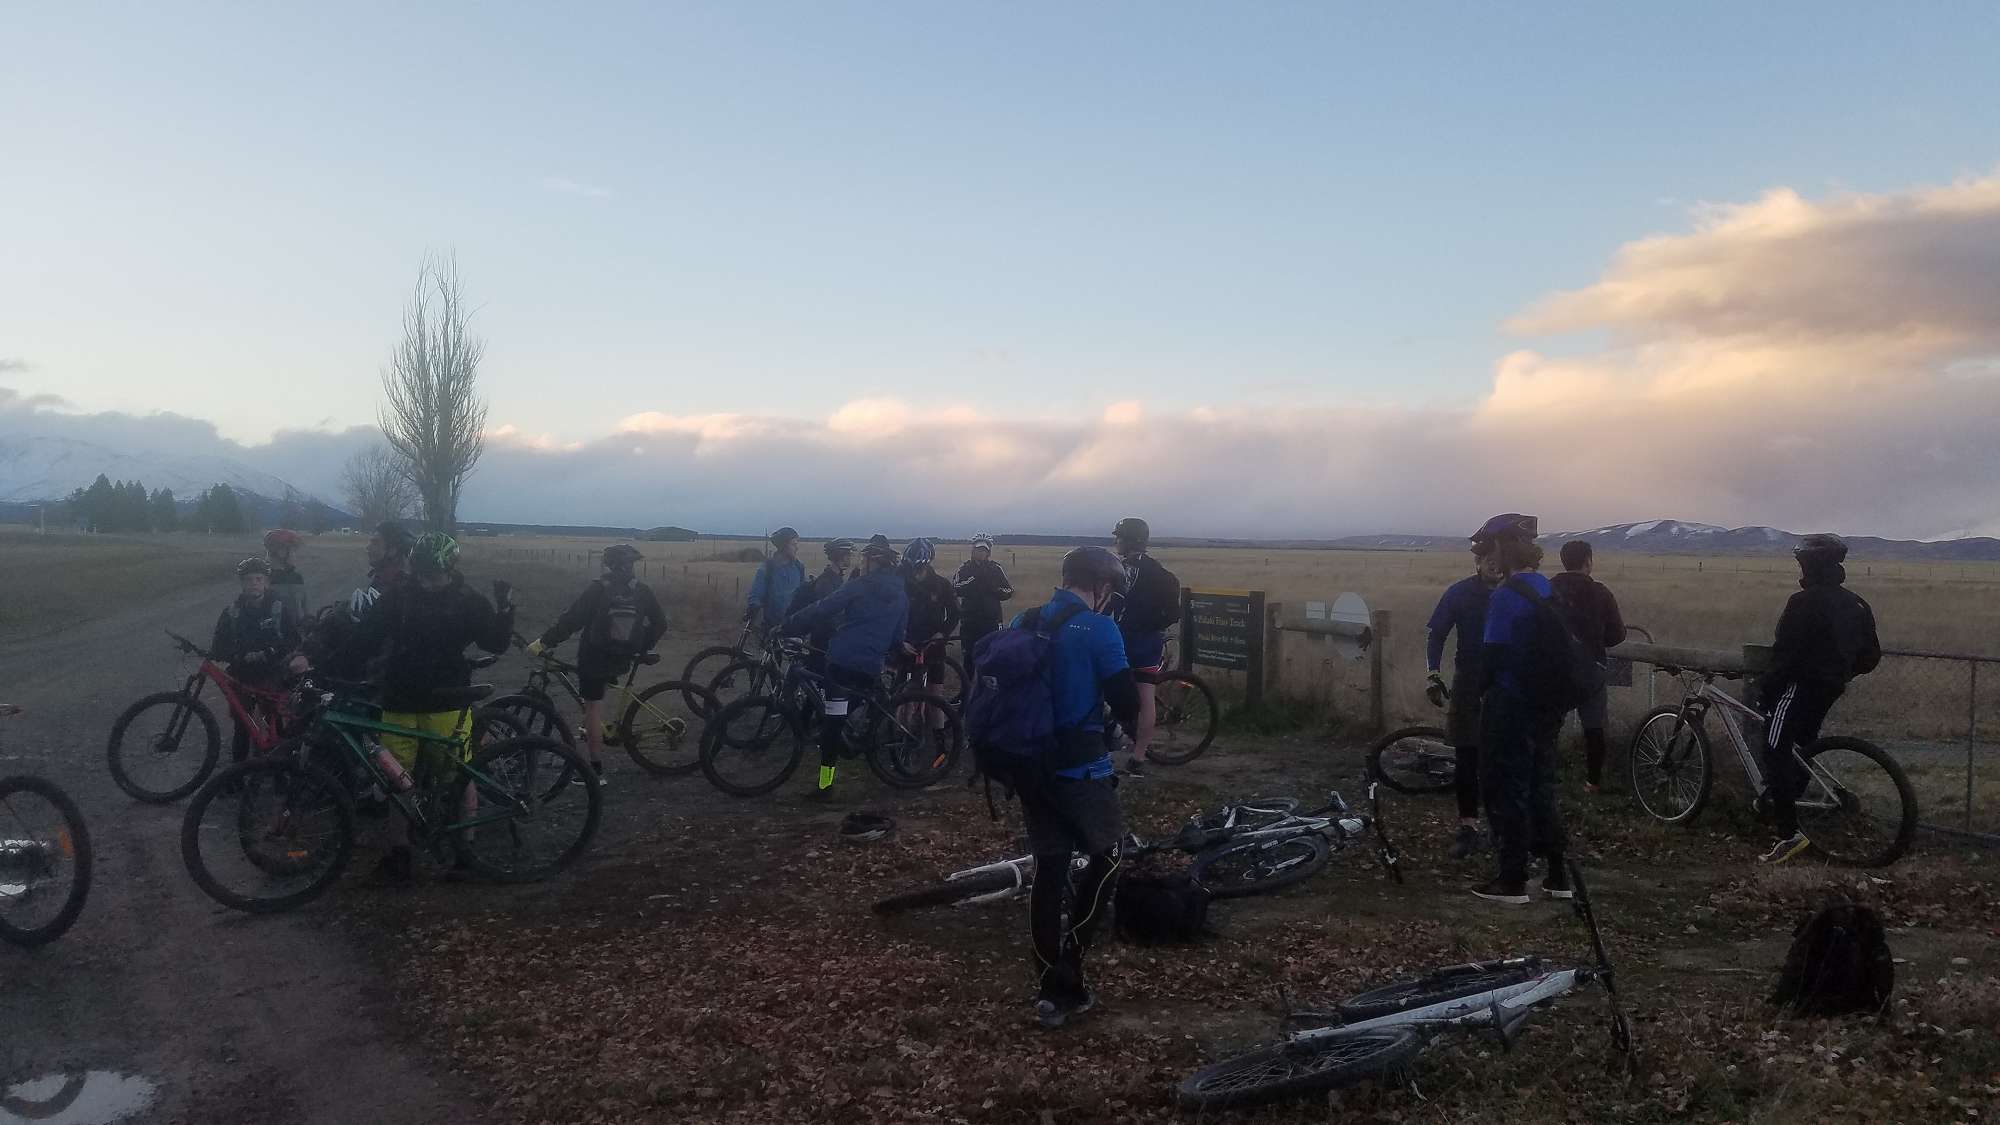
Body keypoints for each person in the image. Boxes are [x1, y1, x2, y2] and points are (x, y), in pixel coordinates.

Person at [1000, 546, 1140, 1029]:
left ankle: (1048, 987)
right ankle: (1071, 964)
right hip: (1081, 767)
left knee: (1049, 867)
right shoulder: (1100, 628)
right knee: (1109, 855)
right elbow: (1126, 702)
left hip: (1029, 765)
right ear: (1101, 586)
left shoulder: (1024, 619)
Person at [335, 532, 515, 885]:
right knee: (396, 780)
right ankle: (399, 855)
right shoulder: (401, 596)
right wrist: (325, 667)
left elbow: (495, 642)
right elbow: (364, 639)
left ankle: (466, 852)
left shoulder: (467, 600)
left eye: (434, 575)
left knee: (457, 776)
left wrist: (505, 610)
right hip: (400, 699)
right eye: (422, 575)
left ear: (448, 569)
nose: (428, 582)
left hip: (446, 701)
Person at [1757, 534, 1881, 865]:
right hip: (1831, 687)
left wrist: (1767, 691)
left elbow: (1785, 656)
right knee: (1802, 746)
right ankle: (1787, 804)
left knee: (1774, 747)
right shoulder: (1856, 603)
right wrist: (1842, 672)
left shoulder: (1803, 602)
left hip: (1799, 685)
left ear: (1808, 565)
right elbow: (1871, 656)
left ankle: (1788, 833)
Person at [1472, 513, 1571, 905]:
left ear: (1502, 547)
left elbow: (1492, 655)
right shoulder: (1546, 587)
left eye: (1489, 546)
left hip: (1511, 702)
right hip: (1547, 703)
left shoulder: (1506, 596)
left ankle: (1512, 879)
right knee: (1540, 784)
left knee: (1505, 785)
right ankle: (1558, 875)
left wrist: (1476, 693)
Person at [527, 544, 668, 785]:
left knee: (592, 708)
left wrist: (545, 642)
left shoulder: (599, 588)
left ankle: (595, 772)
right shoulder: (642, 591)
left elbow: (573, 620)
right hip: (621, 658)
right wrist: (640, 646)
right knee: (595, 703)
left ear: (609, 565)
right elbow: (660, 623)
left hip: (594, 656)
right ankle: (595, 736)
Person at [780, 536, 908, 795]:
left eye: (864, 559)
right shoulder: (901, 595)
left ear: (873, 562)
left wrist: (788, 625)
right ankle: (861, 737)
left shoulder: (858, 586)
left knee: (832, 725)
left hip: (842, 663)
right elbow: (898, 635)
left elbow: (822, 608)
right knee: (857, 707)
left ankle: (825, 785)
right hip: (871, 664)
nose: (860, 563)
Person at [1424, 534, 1505, 859]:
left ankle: (1502, 826)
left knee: (1502, 757)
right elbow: (1437, 634)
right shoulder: (1459, 592)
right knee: (1467, 756)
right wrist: (1433, 674)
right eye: (1489, 560)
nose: (1495, 566)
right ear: (1478, 562)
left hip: (1506, 683)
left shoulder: (1516, 593)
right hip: (1469, 682)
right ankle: (1468, 826)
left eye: (1500, 560)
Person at [1550, 540, 1627, 793]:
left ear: (1563, 561)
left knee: (1549, 724)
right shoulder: (1601, 593)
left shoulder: (1547, 589)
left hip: (1554, 669)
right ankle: (1592, 782)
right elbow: (1618, 635)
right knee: (1594, 727)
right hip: (1591, 671)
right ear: (1588, 561)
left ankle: (1546, 774)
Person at [210, 557, 304, 763]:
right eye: (248, 580)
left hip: (272, 672)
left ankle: (279, 766)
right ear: (241, 583)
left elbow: (294, 639)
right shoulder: (231, 613)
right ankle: (238, 770)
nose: (253, 584)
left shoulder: (279, 609)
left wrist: (269, 652)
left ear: (266, 583)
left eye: (258, 579)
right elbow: (218, 648)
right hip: (241, 675)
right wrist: (238, 655)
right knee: (242, 724)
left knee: (274, 720)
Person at [1110, 517, 1179, 778]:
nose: (1116, 541)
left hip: (1123, 639)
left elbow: (1108, 604)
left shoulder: (1120, 570)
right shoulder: (1159, 572)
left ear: (1130, 540)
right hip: (1149, 641)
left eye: (1119, 537)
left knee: (1102, 686)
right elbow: (1172, 612)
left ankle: (1106, 745)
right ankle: (1138, 758)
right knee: (1146, 696)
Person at [899, 537, 960, 729]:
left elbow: (955, 613)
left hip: (934, 646)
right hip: (906, 646)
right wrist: (899, 638)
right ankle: (902, 735)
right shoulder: (900, 583)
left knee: (936, 697)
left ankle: (939, 739)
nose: (915, 573)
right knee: (904, 699)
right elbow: (890, 614)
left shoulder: (941, 585)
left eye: (919, 568)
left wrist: (943, 633)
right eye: (911, 568)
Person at [787, 538, 855, 673]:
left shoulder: (835, 578)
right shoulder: (826, 582)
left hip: (827, 639)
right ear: (840, 556)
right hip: (823, 640)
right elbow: (827, 612)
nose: (850, 558)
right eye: (848, 555)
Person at [953, 534, 1014, 681]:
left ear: (988, 553)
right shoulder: (965, 568)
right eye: (978, 550)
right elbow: (955, 588)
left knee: (991, 657)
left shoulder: (996, 568)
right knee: (968, 658)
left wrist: (994, 590)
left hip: (991, 621)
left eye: (984, 550)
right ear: (972, 551)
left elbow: (1009, 591)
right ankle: (967, 691)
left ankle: (988, 691)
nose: (981, 553)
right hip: (970, 621)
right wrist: (974, 579)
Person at [745, 527, 807, 635]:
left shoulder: (799, 567)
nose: (797, 548)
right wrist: (753, 607)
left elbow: (803, 593)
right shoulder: (767, 569)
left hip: (795, 626)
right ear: (783, 546)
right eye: (793, 544)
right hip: (772, 627)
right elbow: (756, 594)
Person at [263, 528, 308, 624]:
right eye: (293, 550)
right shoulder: (263, 580)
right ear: (281, 552)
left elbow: (303, 612)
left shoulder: (296, 577)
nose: (295, 555)